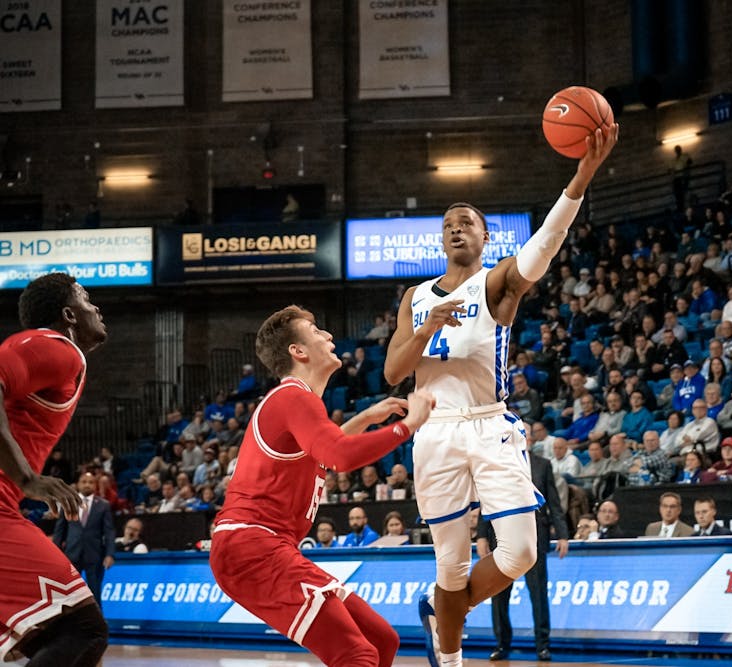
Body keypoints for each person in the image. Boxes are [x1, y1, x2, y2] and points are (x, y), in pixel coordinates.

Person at [383, 123, 617, 667]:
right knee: (449, 564)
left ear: (486, 238)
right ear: (441, 239)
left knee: (520, 553)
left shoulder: (496, 283)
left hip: (489, 423)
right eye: (448, 224)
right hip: (434, 431)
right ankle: (452, 654)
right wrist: (425, 329)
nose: (456, 228)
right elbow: (395, 373)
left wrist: (580, 176)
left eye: (467, 222)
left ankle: (446, 611)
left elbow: (546, 244)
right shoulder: (415, 297)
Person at [209, 305, 435, 667]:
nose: (329, 336)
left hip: (264, 546)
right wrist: (407, 427)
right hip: (251, 546)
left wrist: (364, 418)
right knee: (356, 653)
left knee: (381, 640)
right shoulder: (291, 397)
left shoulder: (298, 402)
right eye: (317, 332)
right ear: (297, 352)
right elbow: (340, 456)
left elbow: (322, 455)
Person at [0, 273, 110, 664]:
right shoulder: (58, 347)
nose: (96, 307)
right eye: (86, 299)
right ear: (69, 314)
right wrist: (26, 478)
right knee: (81, 630)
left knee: (49, 639)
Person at [477, 452, 568, 662]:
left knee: (538, 594)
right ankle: (501, 645)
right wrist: (481, 535)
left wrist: (562, 534)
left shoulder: (542, 464)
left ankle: (543, 646)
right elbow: (486, 500)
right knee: (499, 595)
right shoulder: (495, 461)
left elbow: (553, 502)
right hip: (501, 536)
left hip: (534, 537)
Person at [52, 471, 116, 603]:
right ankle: (70, 622)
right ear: (78, 485)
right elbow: (60, 531)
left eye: (91, 482)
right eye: (84, 482)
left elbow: (109, 531)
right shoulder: (68, 503)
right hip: (71, 554)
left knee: (95, 591)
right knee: (69, 592)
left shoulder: (103, 505)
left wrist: (110, 554)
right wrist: (55, 553)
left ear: (95, 485)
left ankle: (97, 623)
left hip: (94, 554)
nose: (87, 485)